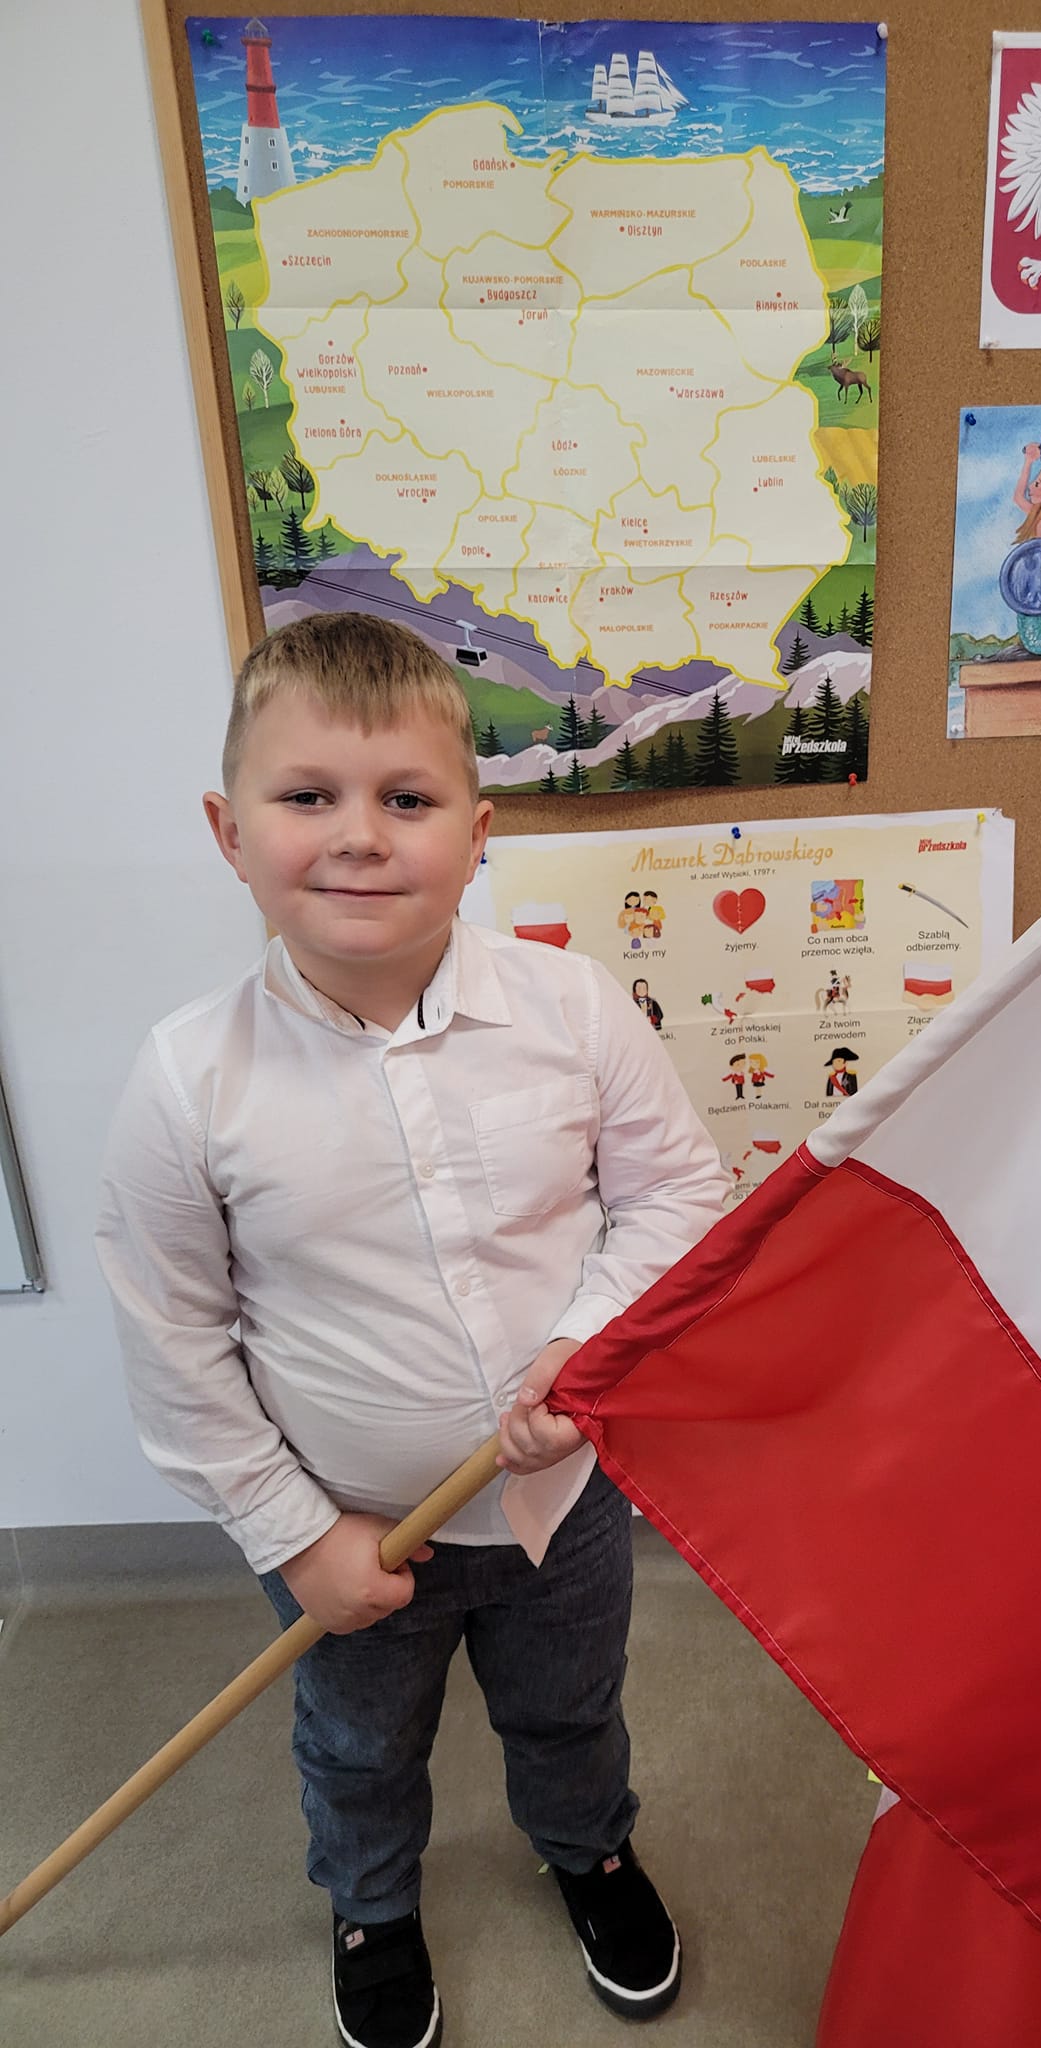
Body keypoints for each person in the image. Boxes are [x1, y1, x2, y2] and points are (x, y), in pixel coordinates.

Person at [96, 613, 729, 2048]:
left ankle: (591, 1850)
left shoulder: (574, 1007)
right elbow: (175, 1339)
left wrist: (587, 1340)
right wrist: (293, 1534)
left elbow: (677, 1195)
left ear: (477, 831)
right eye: (306, 795)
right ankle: (373, 1903)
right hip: (349, 1526)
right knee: (358, 1742)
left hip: (563, 1501)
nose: (359, 836)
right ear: (229, 832)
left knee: (570, 1709)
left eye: (406, 797)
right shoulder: (188, 1078)